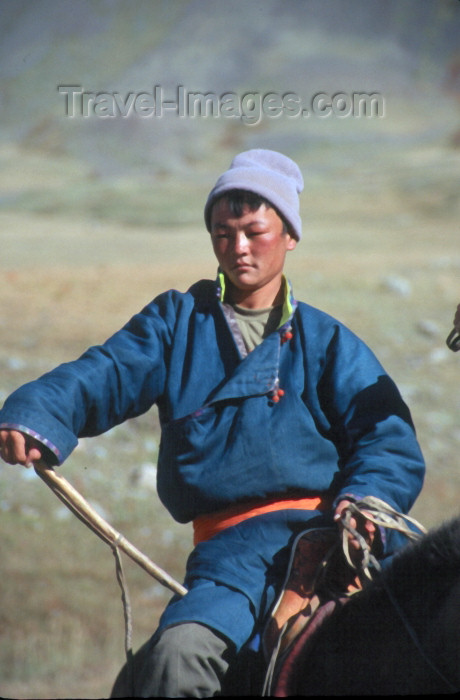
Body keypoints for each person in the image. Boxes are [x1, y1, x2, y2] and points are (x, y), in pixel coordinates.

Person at [0, 149, 425, 697]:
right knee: (177, 660)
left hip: (332, 544)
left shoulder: (328, 341)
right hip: (231, 559)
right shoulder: (177, 322)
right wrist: (38, 412)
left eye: (254, 230)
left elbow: (386, 437)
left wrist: (366, 502)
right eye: (223, 233)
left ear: (290, 235)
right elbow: (104, 373)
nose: (239, 248)